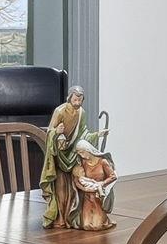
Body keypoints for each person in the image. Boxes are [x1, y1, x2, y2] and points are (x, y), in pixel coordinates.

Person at [41, 87, 117, 230]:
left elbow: (83, 134)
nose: (77, 103)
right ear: (69, 98)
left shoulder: (82, 113)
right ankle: (60, 219)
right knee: (60, 189)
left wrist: (97, 135)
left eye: (80, 100)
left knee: (73, 189)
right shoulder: (60, 111)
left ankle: (71, 217)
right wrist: (56, 132)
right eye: (75, 99)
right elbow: (49, 132)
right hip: (60, 155)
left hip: (74, 155)